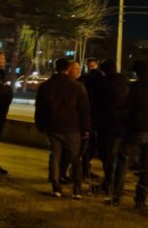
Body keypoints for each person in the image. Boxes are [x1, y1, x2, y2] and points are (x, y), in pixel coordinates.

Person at [35, 59, 91, 199]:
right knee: (75, 158)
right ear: (68, 69)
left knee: (55, 157)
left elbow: (40, 108)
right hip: (72, 128)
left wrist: (40, 125)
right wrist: (86, 128)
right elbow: (84, 110)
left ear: (55, 67)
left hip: (53, 127)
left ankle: (56, 187)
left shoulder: (46, 86)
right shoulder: (78, 87)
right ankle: (76, 190)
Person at [111, 59, 148, 209]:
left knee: (122, 161)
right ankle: (140, 200)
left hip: (134, 131)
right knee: (146, 167)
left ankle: (116, 196)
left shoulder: (134, 88)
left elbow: (125, 109)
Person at [97, 59, 130, 195]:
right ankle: (114, 184)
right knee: (121, 157)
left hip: (107, 124)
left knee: (106, 155)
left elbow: (97, 103)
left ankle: (109, 182)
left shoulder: (103, 83)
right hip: (122, 124)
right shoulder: (125, 81)